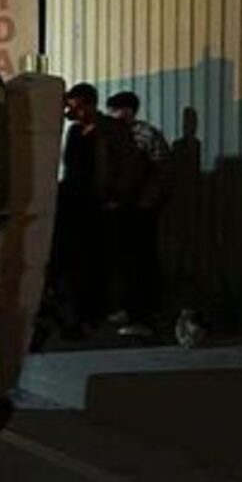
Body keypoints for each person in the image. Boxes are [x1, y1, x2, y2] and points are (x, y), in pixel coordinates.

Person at [51, 83, 142, 337]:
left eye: (79, 107)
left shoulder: (112, 130)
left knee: (97, 260)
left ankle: (93, 312)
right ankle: (78, 313)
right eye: (72, 108)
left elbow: (129, 165)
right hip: (74, 200)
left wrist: (118, 197)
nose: (75, 113)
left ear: (91, 104)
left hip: (98, 202)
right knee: (73, 261)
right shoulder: (74, 131)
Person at [107, 91, 170, 337]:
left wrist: (147, 202)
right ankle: (128, 308)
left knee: (140, 261)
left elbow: (162, 170)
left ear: (130, 111)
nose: (113, 115)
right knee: (123, 260)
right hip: (121, 207)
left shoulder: (146, 135)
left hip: (140, 208)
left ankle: (143, 316)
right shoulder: (116, 135)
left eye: (117, 110)